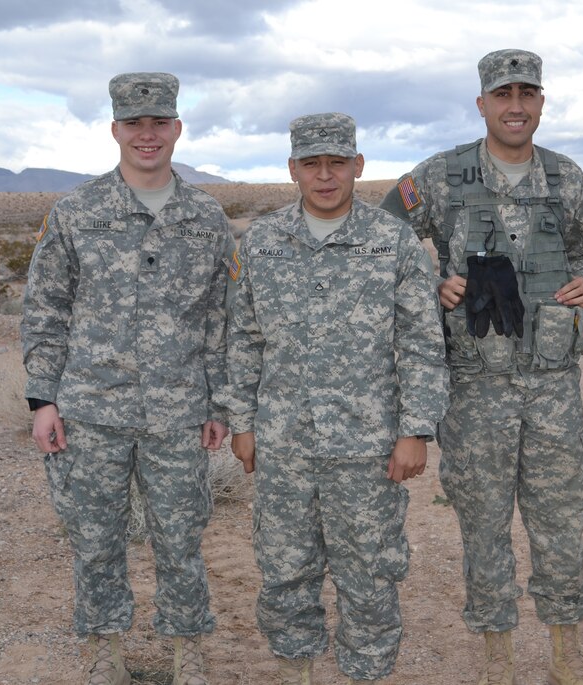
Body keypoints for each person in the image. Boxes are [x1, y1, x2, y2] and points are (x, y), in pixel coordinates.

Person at [380, 49, 583, 685]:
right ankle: (497, 659)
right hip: (474, 387)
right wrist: (433, 283)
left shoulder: (567, 179)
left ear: (541, 103)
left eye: (526, 94)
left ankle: (567, 652)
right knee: (483, 527)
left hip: (553, 386)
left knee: (560, 523)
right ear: (481, 104)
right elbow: (380, 243)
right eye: (502, 95)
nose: (515, 106)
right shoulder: (442, 175)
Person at [21, 72, 235, 685]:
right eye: (134, 124)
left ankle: (186, 651)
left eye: (159, 122)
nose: (148, 135)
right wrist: (43, 399)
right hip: (90, 409)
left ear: (176, 128)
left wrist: (218, 402)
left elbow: (221, 318)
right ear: (115, 129)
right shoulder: (77, 212)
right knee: (95, 539)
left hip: (179, 413)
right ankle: (104, 651)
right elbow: (44, 310)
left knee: (180, 539)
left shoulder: (205, 217)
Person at [221, 112, 449, 685]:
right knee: (284, 573)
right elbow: (243, 338)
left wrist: (414, 430)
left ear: (358, 166)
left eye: (337, 162)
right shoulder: (264, 241)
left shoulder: (392, 241)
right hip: (283, 445)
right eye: (312, 164)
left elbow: (422, 342)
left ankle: (365, 675)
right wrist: (243, 424)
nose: (325, 175)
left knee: (370, 576)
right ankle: (297, 674)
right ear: (293, 168)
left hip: (368, 449)